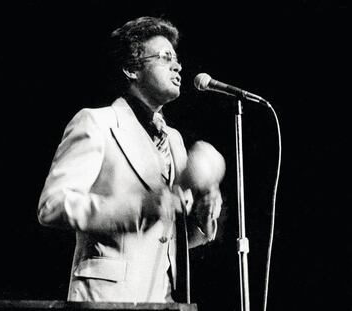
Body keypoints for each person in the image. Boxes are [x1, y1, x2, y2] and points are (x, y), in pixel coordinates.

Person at [37, 16, 223, 303]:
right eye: (165, 57)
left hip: (162, 300)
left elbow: (168, 238)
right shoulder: (96, 123)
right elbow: (51, 206)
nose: (178, 65)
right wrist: (136, 208)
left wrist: (202, 216)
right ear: (131, 68)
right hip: (106, 298)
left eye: (177, 58)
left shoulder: (173, 140)